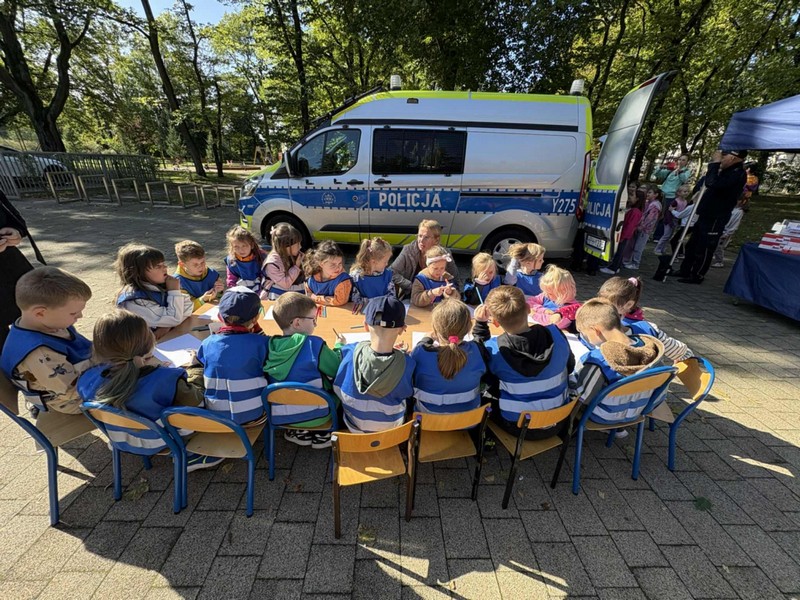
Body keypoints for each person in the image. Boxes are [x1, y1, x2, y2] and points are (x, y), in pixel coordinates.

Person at [77, 310, 222, 471]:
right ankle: (190, 456)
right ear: (149, 344)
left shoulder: (86, 380)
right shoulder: (165, 380)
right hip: (161, 440)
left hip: (121, 438)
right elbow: (197, 400)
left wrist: (153, 369)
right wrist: (196, 368)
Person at [472, 286, 574, 439]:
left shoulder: (493, 350)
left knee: (481, 397)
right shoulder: (556, 334)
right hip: (559, 420)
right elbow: (570, 367)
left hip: (518, 426)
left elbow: (479, 374)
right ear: (528, 308)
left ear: (495, 322)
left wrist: (480, 326)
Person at [1, 267, 93, 414]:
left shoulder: (48, 323)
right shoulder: (39, 353)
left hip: (88, 375)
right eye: (74, 313)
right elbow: (72, 391)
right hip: (74, 401)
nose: (80, 316)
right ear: (40, 313)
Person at [266, 292, 343, 448]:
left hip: (282, 414)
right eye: (313, 319)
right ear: (297, 323)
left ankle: (299, 431)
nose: (316, 324)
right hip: (319, 414)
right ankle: (323, 433)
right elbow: (336, 369)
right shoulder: (314, 344)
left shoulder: (270, 345)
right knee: (338, 390)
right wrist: (339, 346)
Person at [574, 299, 664, 424]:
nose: (587, 339)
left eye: (585, 334)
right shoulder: (651, 349)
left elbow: (583, 397)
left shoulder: (598, 360)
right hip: (638, 411)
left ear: (596, 330)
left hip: (604, 415)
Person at [334, 296, 415, 433]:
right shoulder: (408, 363)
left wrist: (339, 345)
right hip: (392, 430)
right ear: (402, 329)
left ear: (365, 326)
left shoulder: (347, 352)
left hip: (353, 428)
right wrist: (399, 354)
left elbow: (337, 389)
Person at [197, 287, 269, 425]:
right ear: (256, 318)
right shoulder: (263, 343)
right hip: (255, 416)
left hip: (216, 417)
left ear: (219, 317)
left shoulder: (207, 343)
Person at [676, 150, 747, 284]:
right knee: (692, 244)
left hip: (716, 216)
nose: (721, 160)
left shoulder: (737, 173)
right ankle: (685, 270)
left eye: (724, 157)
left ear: (733, 157)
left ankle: (697, 274)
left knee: (705, 246)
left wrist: (715, 164)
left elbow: (712, 182)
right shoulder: (727, 171)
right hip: (707, 213)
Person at [411, 299, 488, 414]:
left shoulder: (420, 352)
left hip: (427, 417)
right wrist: (481, 323)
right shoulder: (478, 351)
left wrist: (426, 339)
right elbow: (480, 340)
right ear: (469, 327)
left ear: (435, 328)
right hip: (470, 418)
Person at [597, 276, 693, 362]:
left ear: (629, 304)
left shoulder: (592, 331)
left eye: (609, 305)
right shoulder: (650, 329)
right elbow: (684, 353)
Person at [115, 243, 194, 331]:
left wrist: (166, 326)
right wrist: (174, 291)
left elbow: (189, 306)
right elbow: (174, 319)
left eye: (164, 264)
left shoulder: (157, 286)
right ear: (138, 272)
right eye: (158, 266)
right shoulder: (135, 301)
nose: (165, 268)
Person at [390, 219, 460, 298]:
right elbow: (392, 272)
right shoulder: (409, 250)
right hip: (412, 294)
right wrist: (410, 286)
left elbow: (455, 280)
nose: (421, 240)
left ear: (436, 240)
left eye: (426, 237)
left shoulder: (444, 254)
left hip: (438, 295)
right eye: (420, 236)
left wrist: (451, 292)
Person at [600, 189, 644, 275]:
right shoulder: (631, 209)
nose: (629, 197)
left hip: (624, 235)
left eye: (632, 196)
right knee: (619, 251)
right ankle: (616, 266)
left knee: (619, 252)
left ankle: (613, 268)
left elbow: (630, 226)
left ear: (637, 199)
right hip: (623, 234)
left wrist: (623, 236)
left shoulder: (635, 211)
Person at [528, 265, 582, 331]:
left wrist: (534, 314)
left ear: (563, 292)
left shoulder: (572, 308)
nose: (546, 294)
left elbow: (552, 322)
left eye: (550, 293)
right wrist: (543, 310)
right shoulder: (546, 297)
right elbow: (530, 302)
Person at [173, 240, 224, 310]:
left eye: (203, 262)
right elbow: (185, 308)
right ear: (182, 264)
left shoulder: (211, 273)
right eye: (195, 264)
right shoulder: (177, 283)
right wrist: (202, 300)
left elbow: (218, 297)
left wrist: (219, 291)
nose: (201, 267)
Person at [303, 240, 352, 306]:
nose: (338, 268)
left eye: (340, 263)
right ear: (321, 264)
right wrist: (326, 299)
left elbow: (339, 301)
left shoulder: (343, 280)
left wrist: (315, 298)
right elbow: (307, 293)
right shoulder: (312, 276)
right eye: (333, 265)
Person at [262, 222, 305, 298]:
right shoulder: (272, 263)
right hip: (279, 296)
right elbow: (285, 284)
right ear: (286, 246)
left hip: (297, 294)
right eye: (298, 244)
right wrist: (296, 267)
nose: (300, 247)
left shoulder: (294, 255)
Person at [624, 187, 663, 270]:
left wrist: (641, 227)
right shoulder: (648, 203)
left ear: (656, 195)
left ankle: (636, 263)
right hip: (640, 227)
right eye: (647, 192)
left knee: (638, 247)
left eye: (650, 192)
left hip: (645, 230)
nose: (648, 194)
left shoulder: (655, 206)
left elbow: (650, 219)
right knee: (634, 245)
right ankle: (630, 260)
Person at [349, 237, 395, 307]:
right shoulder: (356, 277)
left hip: (383, 310)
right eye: (385, 261)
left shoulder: (387, 275)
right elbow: (354, 301)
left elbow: (392, 299)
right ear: (374, 262)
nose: (387, 264)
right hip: (362, 311)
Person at [224, 225, 267, 292]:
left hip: (261, 289)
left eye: (244, 246)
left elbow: (266, 277)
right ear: (232, 247)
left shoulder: (261, 257)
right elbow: (231, 281)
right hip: (242, 290)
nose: (241, 250)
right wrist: (235, 291)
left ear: (252, 245)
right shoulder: (231, 261)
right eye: (236, 247)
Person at [654, 184, 690, 256]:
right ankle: (657, 249)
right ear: (679, 192)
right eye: (684, 191)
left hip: (676, 220)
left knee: (669, 236)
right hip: (669, 220)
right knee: (666, 235)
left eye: (687, 191)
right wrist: (669, 222)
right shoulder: (675, 201)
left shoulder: (685, 201)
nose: (686, 193)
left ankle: (662, 249)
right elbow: (668, 212)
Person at [711, 197, 746, 268]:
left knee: (719, 246)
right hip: (720, 228)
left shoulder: (739, 212)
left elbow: (735, 224)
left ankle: (719, 261)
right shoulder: (730, 208)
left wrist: (728, 233)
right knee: (714, 243)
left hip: (726, 231)